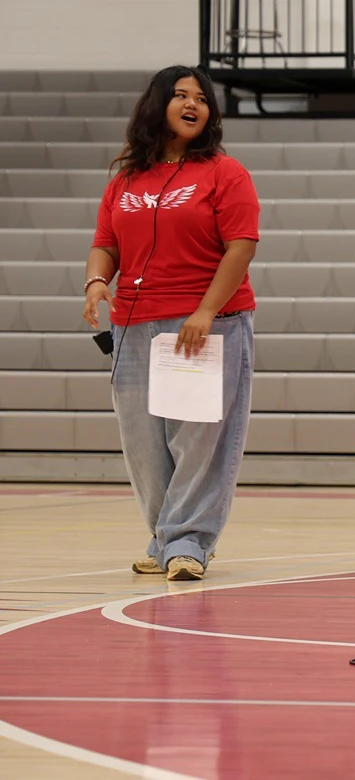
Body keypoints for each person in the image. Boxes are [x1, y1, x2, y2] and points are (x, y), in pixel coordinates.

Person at [82, 65, 259, 582]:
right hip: (134, 325)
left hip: (207, 322)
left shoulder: (227, 174)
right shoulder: (126, 181)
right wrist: (96, 281)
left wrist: (205, 311)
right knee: (144, 441)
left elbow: (241, 246)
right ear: (157, 104)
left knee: (199, 440)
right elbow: (105, 243)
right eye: (180, 95)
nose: (192, 104)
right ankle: (165, 534)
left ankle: (189, 541)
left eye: (201, 98)